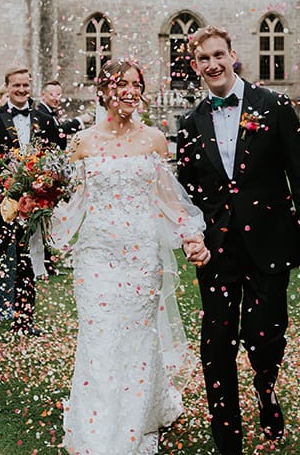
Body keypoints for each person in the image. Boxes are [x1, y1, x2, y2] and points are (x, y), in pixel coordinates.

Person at [176, 25, 300, 454]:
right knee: (217, 340)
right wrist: (191, 235)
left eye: (219, 55)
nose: (213, 64)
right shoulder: (191, 122)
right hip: (216, 250)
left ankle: (266, 387)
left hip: (271, 244)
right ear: (194, 65)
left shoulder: (274, 106)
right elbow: (186, 193)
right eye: (203, 59)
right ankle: (227, 437)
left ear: (232, 55)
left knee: (265, 336)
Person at [50, 59, 209, 454]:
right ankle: (98, 426)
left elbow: (168, 197)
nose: (130, 91)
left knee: (137, 337)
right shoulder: (82, 142)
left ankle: (138, 417)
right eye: (122, 84)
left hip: (141, 255)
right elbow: (69, 199)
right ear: (104, 89)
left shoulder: (154, 139)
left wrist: (191, 234)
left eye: (136, 84)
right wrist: (40, 208)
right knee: (99, 336)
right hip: (96, 255)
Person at [0, 66, 60, 337]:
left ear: (31, 85)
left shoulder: (43, 118)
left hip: (33, 203)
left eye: (25, 85)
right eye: (16, 85)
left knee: (26, 262)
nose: (21, 90)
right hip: (3, 204)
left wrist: (44, 187)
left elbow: (54, 155)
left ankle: (24, 322)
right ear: (7, 86)